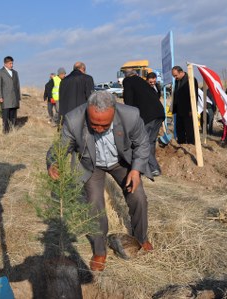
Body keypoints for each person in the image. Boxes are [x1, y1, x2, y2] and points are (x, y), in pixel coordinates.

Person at [47, 91, 153, 272]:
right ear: (88, 112)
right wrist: (53, 162)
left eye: (104, 125)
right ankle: (99, 250)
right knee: (94, 203)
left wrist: (135, 170)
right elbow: (60, 148)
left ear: (114, 113)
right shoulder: (74, 120)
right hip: (91, 165)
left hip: (121, 162)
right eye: (94, 124)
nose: (98, 129)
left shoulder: (130, 115)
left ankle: (140, 238)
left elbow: (142, 144)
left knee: (138, 197)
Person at [123, 69, 165, 176]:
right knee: (151, 142)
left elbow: (128, 100)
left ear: (126, 76)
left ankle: (154, 168)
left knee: (143, 143)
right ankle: (150, 168)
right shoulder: (142, 81)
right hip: (159, 113)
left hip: (147, 116)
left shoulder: (128, 81)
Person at [171, 65, 198, 144]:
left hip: (188, 110)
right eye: (173, 76)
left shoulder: (190, 80)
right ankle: (181, 145)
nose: (175, 77)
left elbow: (194, 96)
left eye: (176, 75)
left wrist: (191, 109)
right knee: (179, 129)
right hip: (179, 110)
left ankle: (191, 146)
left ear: (181, 72)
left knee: (189, 130)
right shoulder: (177, 81)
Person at [0, 56, 21, 134]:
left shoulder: (15, 72)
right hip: (5, 98)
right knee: (6, 115)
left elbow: (17, 85)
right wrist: (0, 97)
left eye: (12, 63)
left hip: (14, 97)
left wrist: (18, 96)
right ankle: (6, 131)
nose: (12, 65)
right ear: (5, 63)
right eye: (10, 63)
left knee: (13, 115)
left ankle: (13, 129)